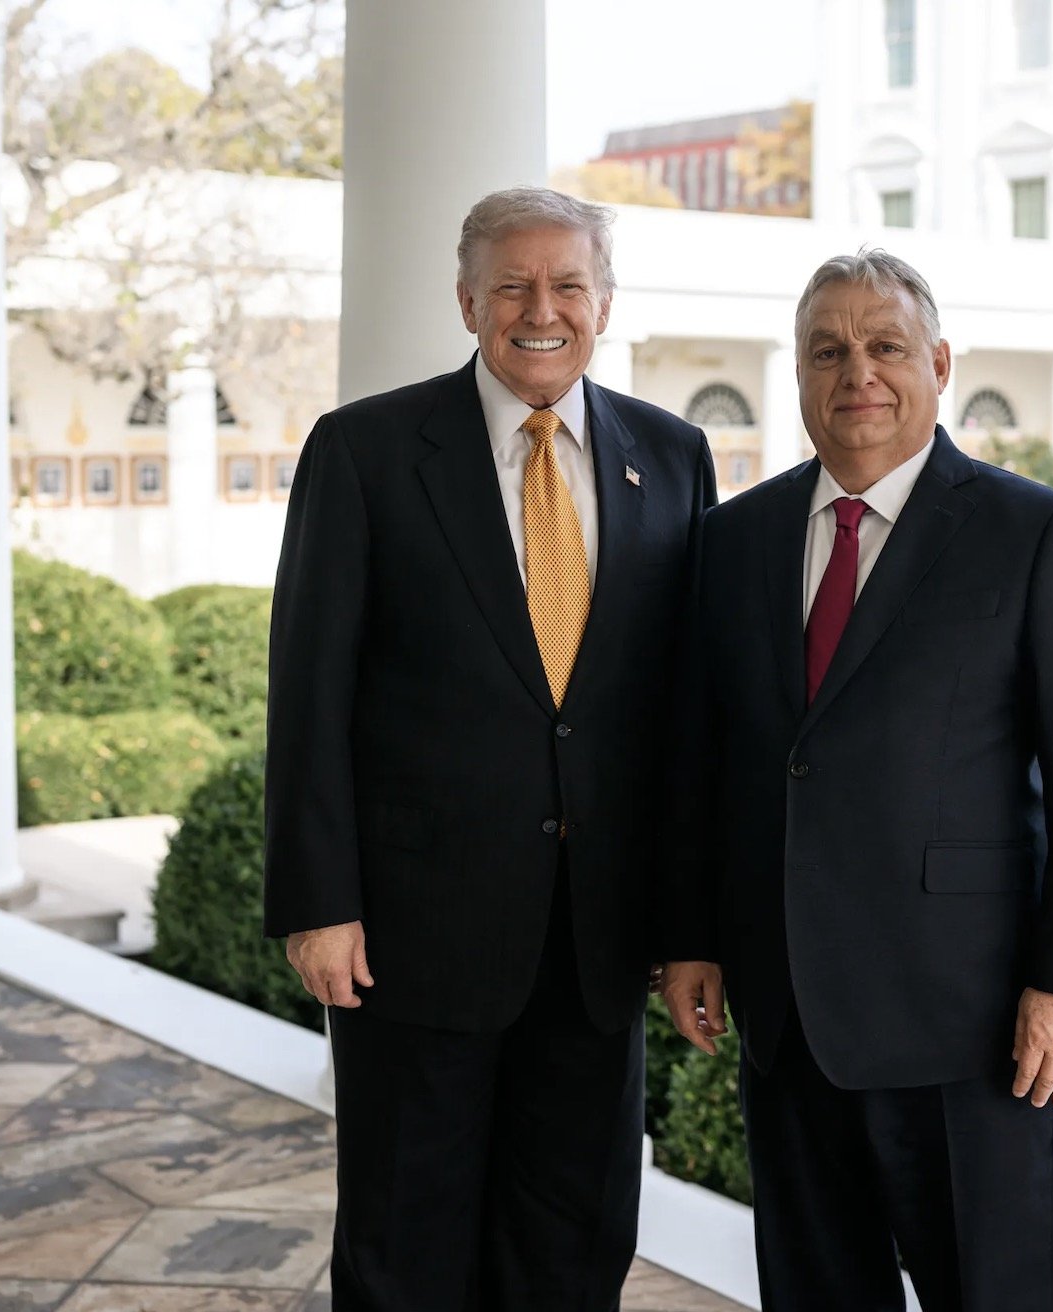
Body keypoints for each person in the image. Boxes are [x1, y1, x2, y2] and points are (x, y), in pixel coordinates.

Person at [659, 249, 1053, 1311]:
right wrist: (693, 934)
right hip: (790, 1020)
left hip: (973, 1030)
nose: (858, 374)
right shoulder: (732, 540)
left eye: (885, 345)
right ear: (799, 373)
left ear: (937, 363)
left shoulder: (1034, 532)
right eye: (827, 351)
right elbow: (703, 757)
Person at [265, 186, 715, 1311]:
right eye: (512, 286)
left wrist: (688, 928)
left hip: (598, 944)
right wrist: (318, 903)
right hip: (412, 941)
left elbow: (685, 716)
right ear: (467, 303)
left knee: (574, 1242)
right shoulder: (365, 451)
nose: (541, 310)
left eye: (568, 285)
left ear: (605, 302)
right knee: (404, 1245)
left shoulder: (674, 456)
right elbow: (309, 694)